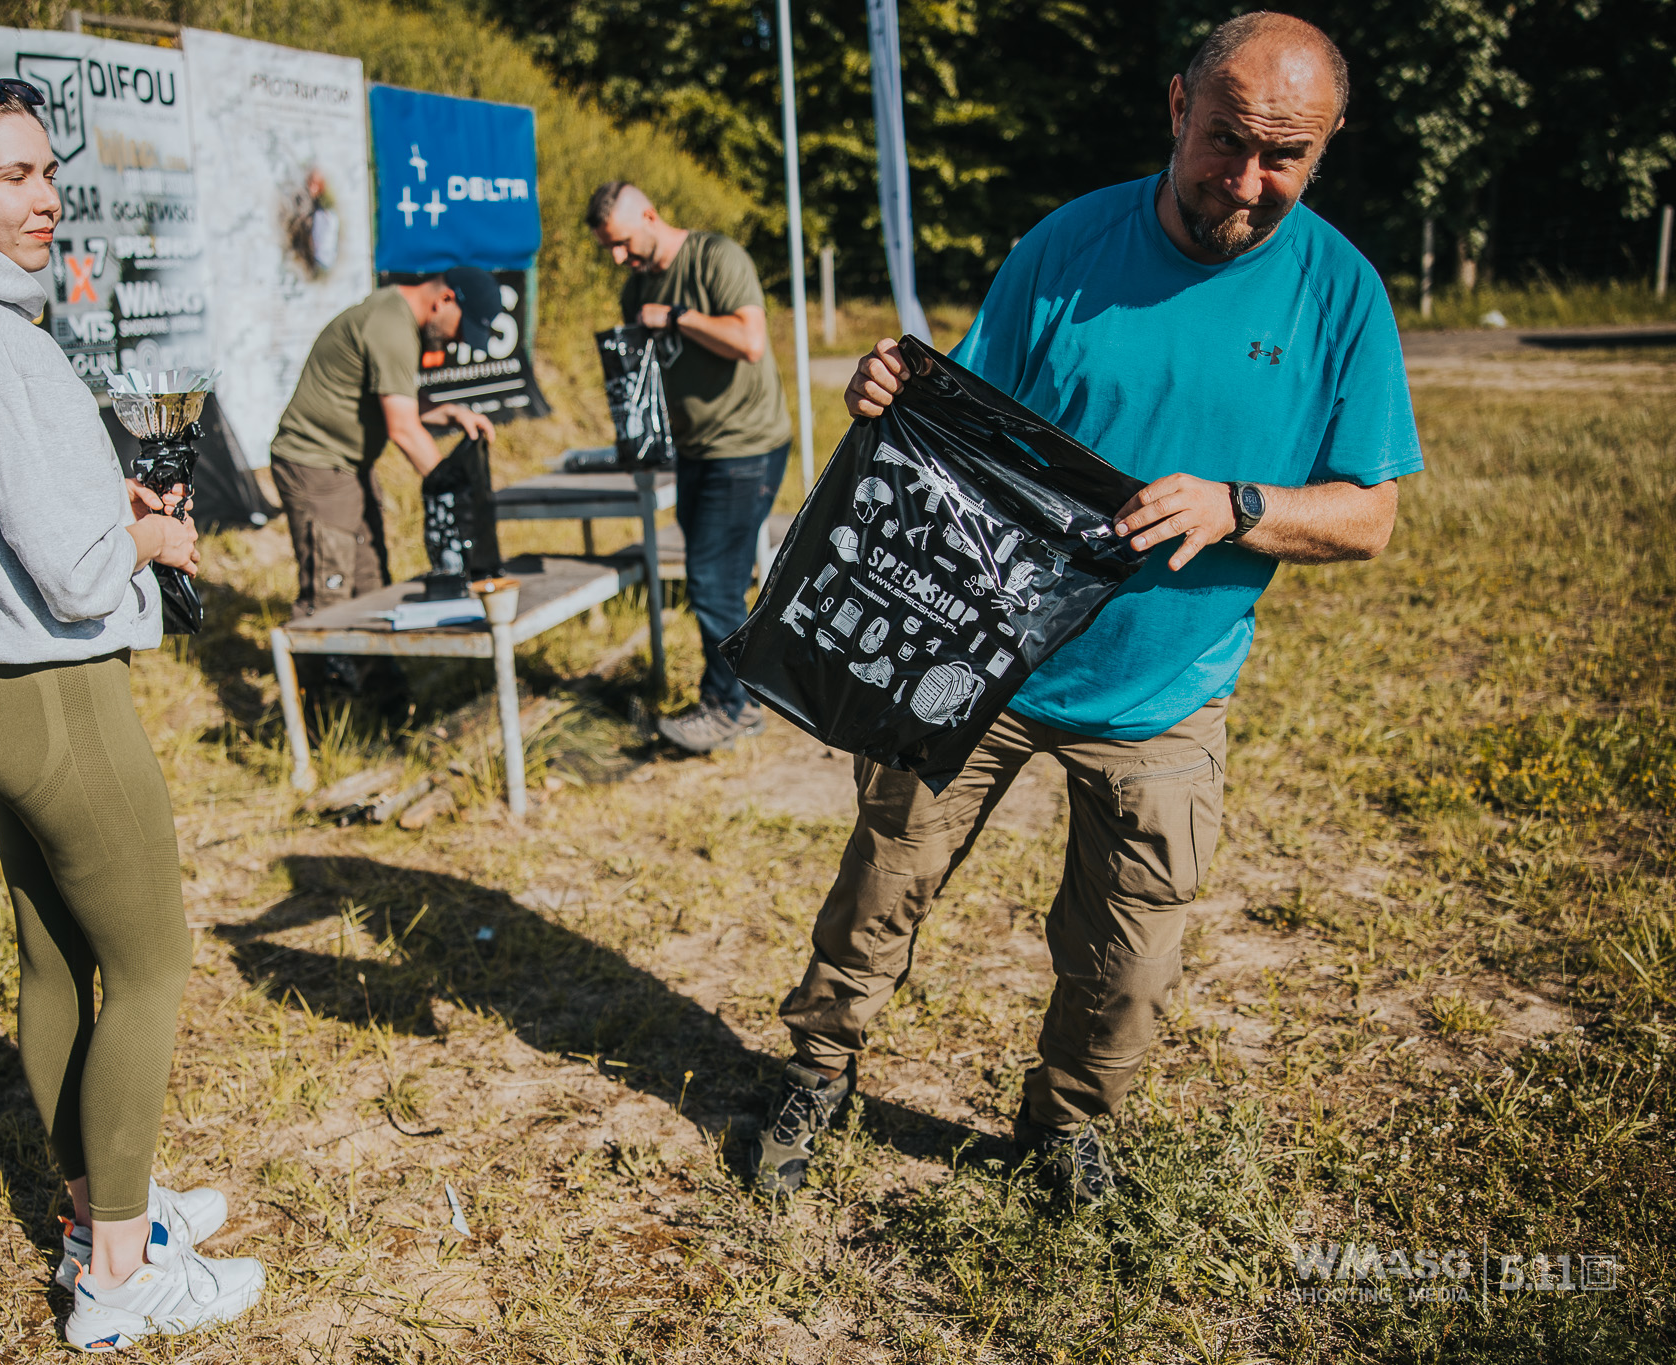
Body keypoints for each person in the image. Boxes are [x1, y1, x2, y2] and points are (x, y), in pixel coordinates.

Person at [750, 13, 1425, 1206]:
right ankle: (817, 1069)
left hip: (1165, 688)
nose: (1247, 180)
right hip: (983, 658)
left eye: (1286, 156)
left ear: (1324, 149)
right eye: (1225, 141)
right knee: (880, 880)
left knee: (1128, 956)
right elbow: (959, 414)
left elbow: (1368, 516)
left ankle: (1065, 1128)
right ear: (1175, 107)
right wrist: (887, 386)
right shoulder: (1065, 246)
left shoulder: (1341, 295)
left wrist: (1239, 504)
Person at [0, 77, 262, 1348]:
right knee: (148, 969)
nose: (46, 199)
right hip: (54, 689)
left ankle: (101, 1216)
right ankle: (123, 1279)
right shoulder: (0, 344)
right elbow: (78, 571)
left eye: (47, 173)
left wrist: (100, 515)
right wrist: (144, 531)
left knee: (52, 965)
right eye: (13, 176)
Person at [586, 183, 793, 753]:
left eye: (623, 244)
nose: (618, 259)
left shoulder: (715, 258)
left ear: (651, 215)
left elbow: (749, 341)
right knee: (713, 578)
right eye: (609, 249)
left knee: (711, 579)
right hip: (695, 449)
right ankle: (740, 698)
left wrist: (676, 317)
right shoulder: (637, 290)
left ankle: (731, 706)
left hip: (747, 443)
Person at [269, 268, 500, 639]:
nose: (457, 341)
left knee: (373, 585)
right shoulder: (392, 326)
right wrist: (457, 495)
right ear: (445, 300)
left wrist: (452, 412)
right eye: (461, 329)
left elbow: (397, 398)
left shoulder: (396, 317)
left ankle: (378, 690)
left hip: (350, 466)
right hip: (315, 462)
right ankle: (320, 691)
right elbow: (404, 429)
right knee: (330, 594)